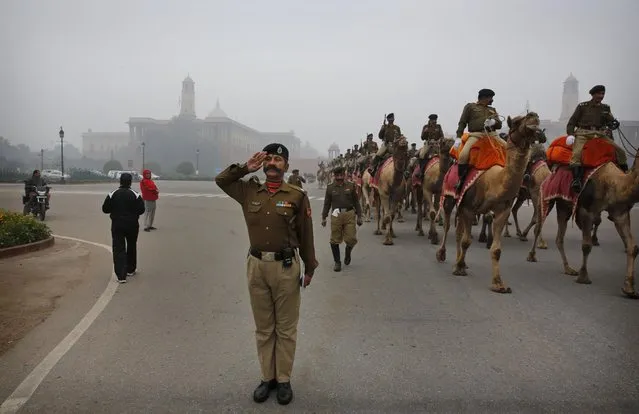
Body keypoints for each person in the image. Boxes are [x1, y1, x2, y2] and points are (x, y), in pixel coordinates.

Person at [215, 143, 318, 406]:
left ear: (285, 165)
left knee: (285, 329)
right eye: (268, 159)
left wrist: (310, 266)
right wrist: (245, 167)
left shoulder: (296, 195)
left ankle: (283, 380)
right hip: (257, 267)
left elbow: (306, 233)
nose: (272, 163)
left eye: (278, 160)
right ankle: (267, 378)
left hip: (286, 268)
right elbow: (221, 180)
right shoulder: (248, 190)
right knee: (263, 329)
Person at [566, 84, 626, 192]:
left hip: (600, 134)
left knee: (620, 151)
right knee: (577, 154)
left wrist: (614, 123)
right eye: (599, 94)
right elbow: (571, 122)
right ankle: (576, 180)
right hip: (583, 133)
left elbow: (610, 121)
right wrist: (570, 134)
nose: (601, 96)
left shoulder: (606, 108)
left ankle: (625, 176)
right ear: (593, 94)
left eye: (603, 94)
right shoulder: (582, 106)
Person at [455, 89, 504, 193]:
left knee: (509, 148)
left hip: (492, 135)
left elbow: (499, 125)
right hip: (476, 135)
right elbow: (462, 122)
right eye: (490, 98)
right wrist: (459, 137)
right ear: (484, 97)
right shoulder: (470, 107)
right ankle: (461, 180)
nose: (492, 100)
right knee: (463, 155)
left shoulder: (492, 110)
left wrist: (494, 122)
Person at [101, 173, 146, 284]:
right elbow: (141, 210)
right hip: (132, 224)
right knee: (131, 245)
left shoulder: (112, 194)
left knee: (119, 248)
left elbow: (105, 209)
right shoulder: (135, 194)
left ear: (120, 181)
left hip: (117, 224)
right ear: (130, 182)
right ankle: (131, 269)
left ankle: (121, 275)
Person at [321, 166, 363, 271]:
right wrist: (324, 217)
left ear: (344, 175)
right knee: (334, 240)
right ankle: (337, 262)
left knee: (351, 239)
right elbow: (327, 203)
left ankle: (348, 252)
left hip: (349, 213)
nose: (339, 178)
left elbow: (356, 202)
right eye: (337, 175)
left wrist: (359, 216)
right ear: (334, 176)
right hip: (336, 214)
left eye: (341, 175)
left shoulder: (351, 185)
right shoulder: (330, 188)